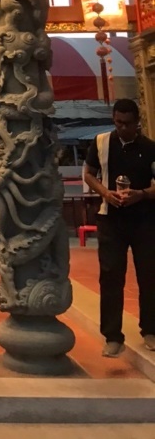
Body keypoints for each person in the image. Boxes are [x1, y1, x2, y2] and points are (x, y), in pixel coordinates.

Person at [83, 98, 155, 358]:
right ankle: (113, 336)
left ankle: (150, 329)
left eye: (127, 124)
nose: (122, 128)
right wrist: (105, 193)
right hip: (111, 219)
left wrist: (142, 194)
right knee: (111, 275)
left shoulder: (149, 148)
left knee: (149, 274)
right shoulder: (101, 142)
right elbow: (88, 173)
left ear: (137, 122)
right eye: (118, 123)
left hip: (145, 220)